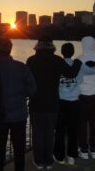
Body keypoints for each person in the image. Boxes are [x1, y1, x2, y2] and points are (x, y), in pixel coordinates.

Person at [26, 35, 81, 170]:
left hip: (36, 102)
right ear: (52, 46)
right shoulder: (57, 60)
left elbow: (27, 81)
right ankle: (49, 162)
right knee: (50, 133)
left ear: (38, 45)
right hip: (52, 103)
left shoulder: (31, 60)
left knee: (37, 134)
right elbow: (71, 73)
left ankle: (39, 161)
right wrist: (79, 61)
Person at [0, 38, 37, 171]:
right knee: (19, 149)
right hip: (19, 116)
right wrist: (22, 93)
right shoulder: (22, 67)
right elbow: (33, 89)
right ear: (10, 49)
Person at [53, 42, 95, 165]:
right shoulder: (79, 65)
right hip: (75, 102)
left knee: (60, 130)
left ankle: (59, 156)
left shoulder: (57, 65)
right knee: (73, 130)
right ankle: (72, 156)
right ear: (73, 52)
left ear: (62, 52)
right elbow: (94, 71)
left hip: (61, 102)